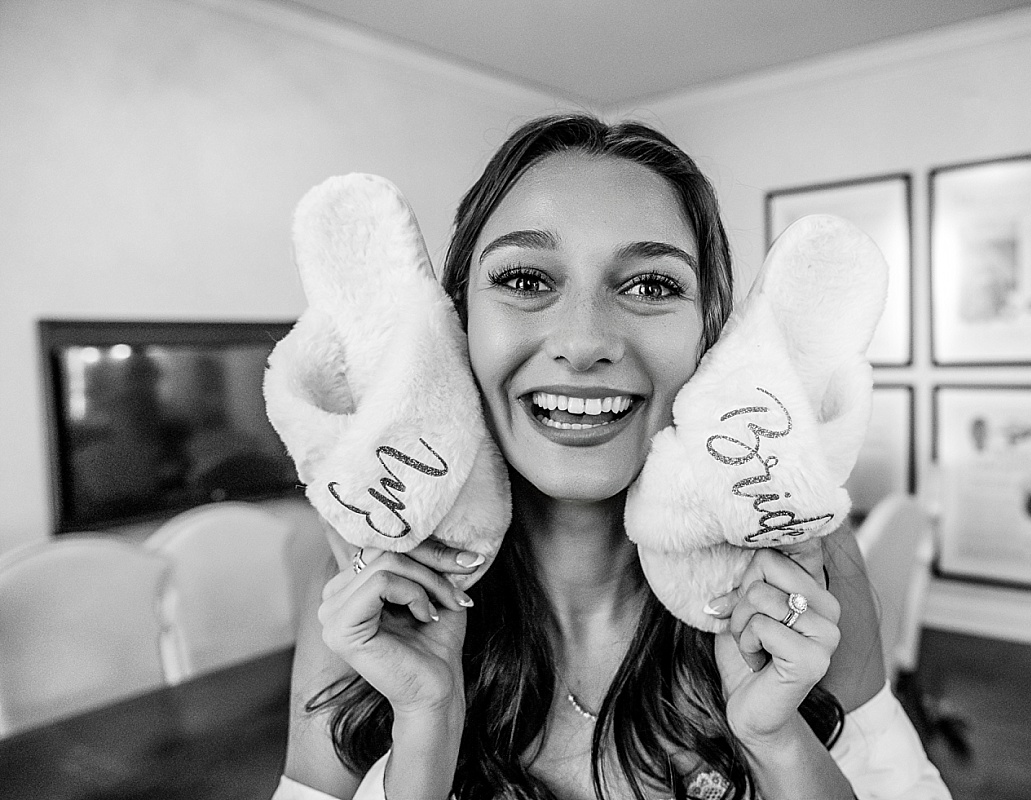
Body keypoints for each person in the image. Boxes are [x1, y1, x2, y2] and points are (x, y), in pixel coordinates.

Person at [277, 113, 949, 800]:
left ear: (713, 340)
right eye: (526, 278)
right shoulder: (370, 574)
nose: (584, 340)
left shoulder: (803, 564)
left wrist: (778, 741)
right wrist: (428, 723)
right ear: (458, 326)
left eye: (652, 286)